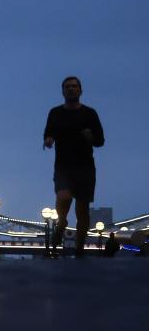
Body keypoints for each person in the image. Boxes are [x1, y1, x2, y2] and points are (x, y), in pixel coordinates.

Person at [43, 76, 104, 258]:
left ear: (80, 91)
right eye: (67, 87)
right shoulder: (55, 113)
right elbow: (48, 133)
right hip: (63, 165)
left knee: (82, 210)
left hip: (85, 166)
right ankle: (61, 222)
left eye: (74, 86)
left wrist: (90, 138)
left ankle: (79, 248)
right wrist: (48, 140)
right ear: (63, 91)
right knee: (64, 197)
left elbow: (100, 141)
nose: (71, 89)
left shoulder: (90, 114)